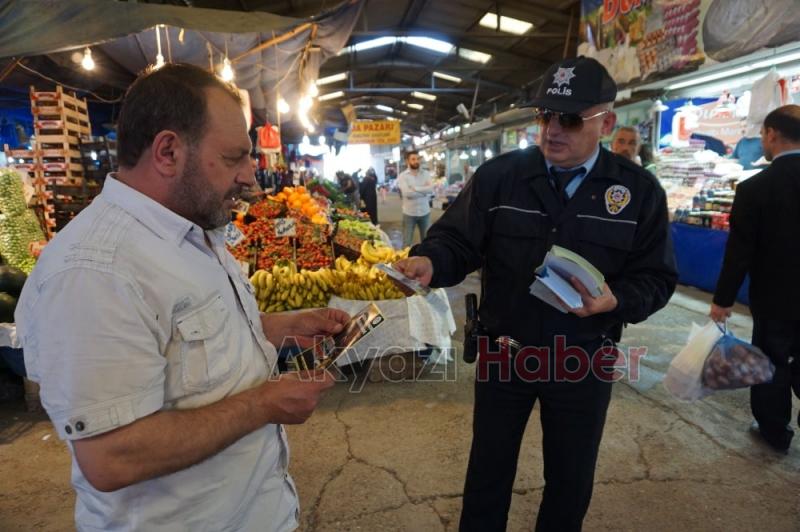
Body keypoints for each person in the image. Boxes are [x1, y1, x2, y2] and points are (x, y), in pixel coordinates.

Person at [15, 63, 349, 531]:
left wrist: (281, 327)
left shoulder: (193, 229)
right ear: (168, 151)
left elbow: (184, 338)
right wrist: (265, 404)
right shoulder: (95, 272)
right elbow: (112, 456)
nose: (250, 178)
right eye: (234, 158)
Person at [395, 56, 677, 532]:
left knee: (570, 478)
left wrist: (617, 301)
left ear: (606, 123)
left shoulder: (636, 192)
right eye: (544, 115)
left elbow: (656, 277)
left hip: (585, 359)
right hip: (506, 351)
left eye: (569, 119)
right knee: (488, 470)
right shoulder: (500, 176)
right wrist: (430, 262)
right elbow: (457, 242)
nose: (552, 130)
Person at [710, 104, 800, 453]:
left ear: (772, 135)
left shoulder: (755, 189)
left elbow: (740, 253)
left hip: (775, 297)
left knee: (772, 362)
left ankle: (775, 431)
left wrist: (722, 300)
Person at [396, 149, 434, 247]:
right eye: (413, 159)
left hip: (424, 212)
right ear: (407, 161)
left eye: (417, 159)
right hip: (409, 213)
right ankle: (406, 260)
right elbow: (407, 193)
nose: (416, 161)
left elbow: (431, 189)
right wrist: (423, 191)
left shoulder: (425, 174)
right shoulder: (402, 176)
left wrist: (415, 188)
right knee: (407, 242)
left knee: (427, 242)